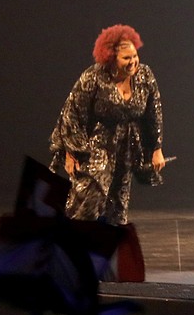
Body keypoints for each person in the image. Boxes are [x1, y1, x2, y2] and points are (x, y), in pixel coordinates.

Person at [50, 24, 166, 225]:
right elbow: (72, 115)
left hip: (126, 148)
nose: (133, 62)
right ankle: (73, 247)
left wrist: (156, 148)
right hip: (97, 147)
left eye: (135, 56)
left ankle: (105, 251)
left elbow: (153, 114)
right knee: (89, 198)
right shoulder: (94, 77)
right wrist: (71, 153)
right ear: (111, 58)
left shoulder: (145, 75)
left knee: (116, 207)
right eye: (127, 58)